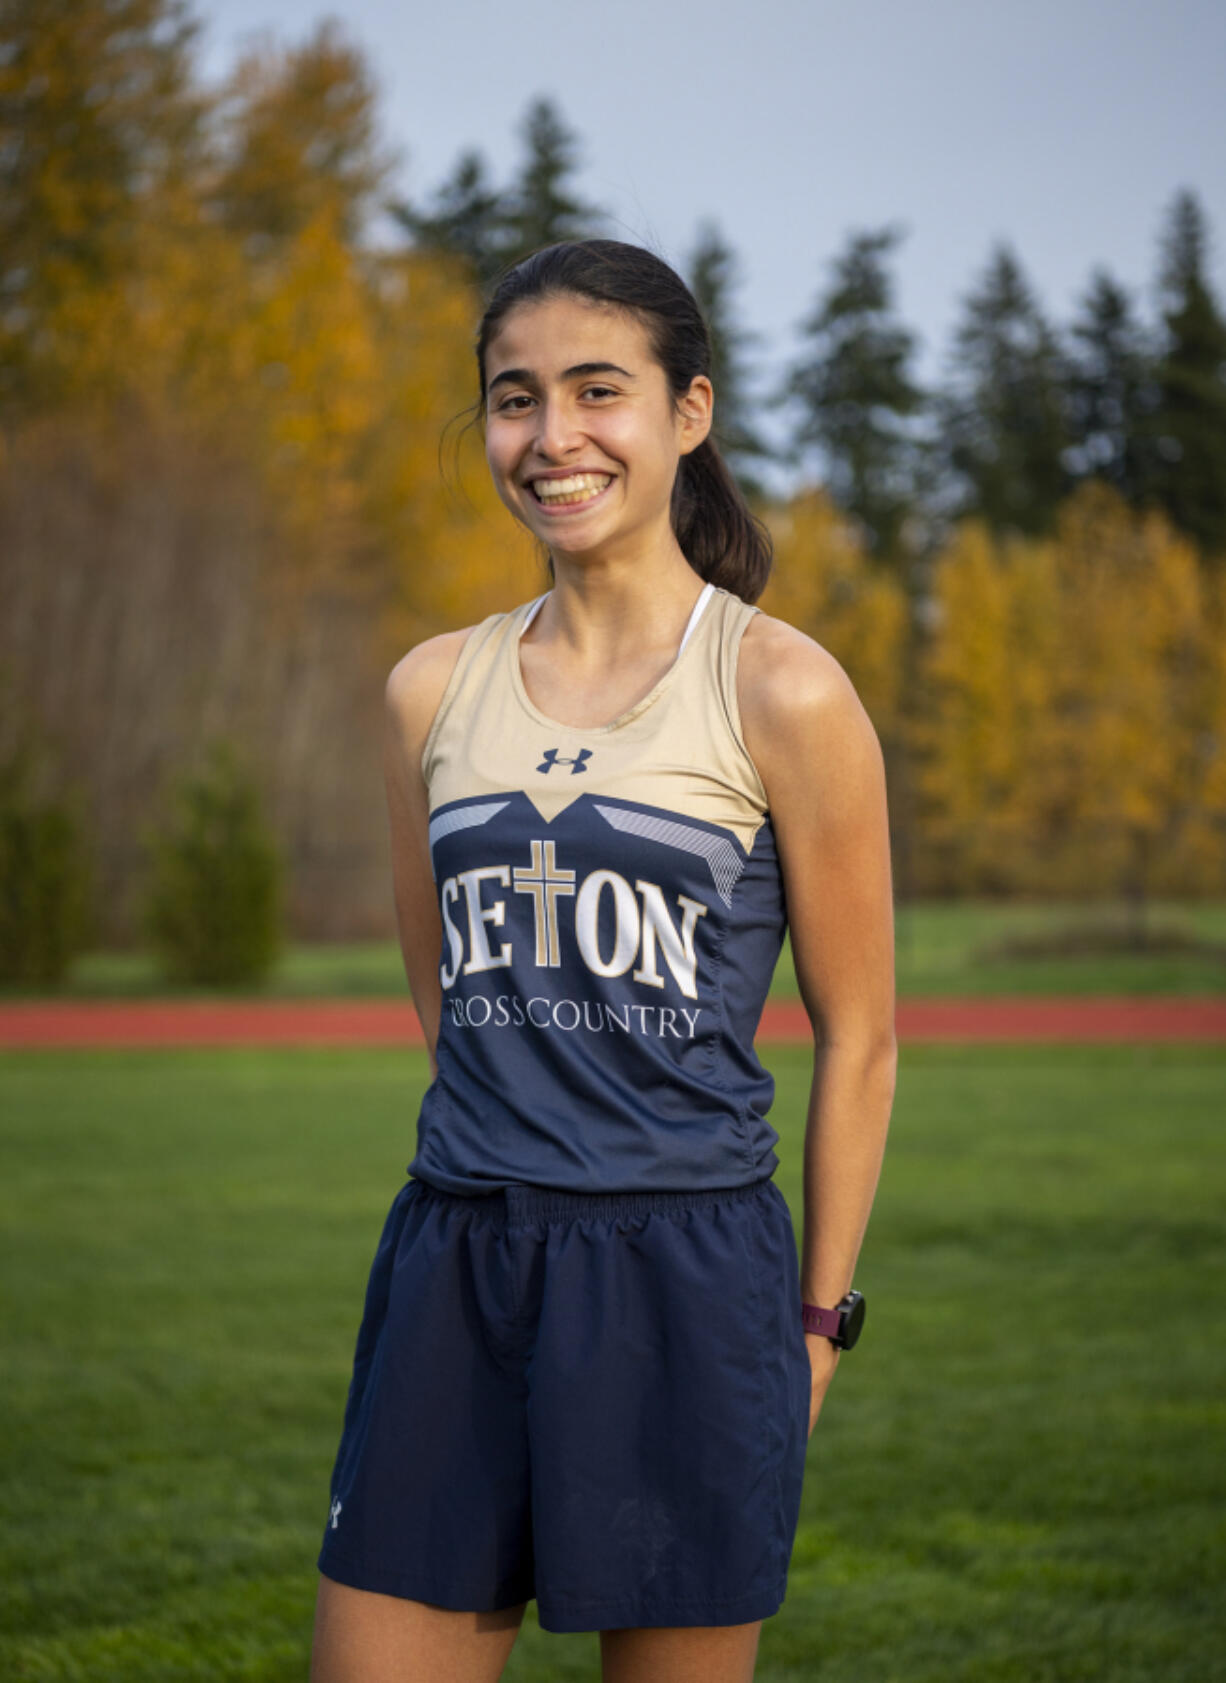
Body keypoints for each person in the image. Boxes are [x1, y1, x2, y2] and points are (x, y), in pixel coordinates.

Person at [309, 238, 896, 1683]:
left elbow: (861, 1034)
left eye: (595, 391)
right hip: (460, 1261)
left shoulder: (779, 686)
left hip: (686, 1279)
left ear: (686, 412)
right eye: (515, 399)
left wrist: (818, 1325)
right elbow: (446, 994)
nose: (551, 438)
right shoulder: (429, 688)